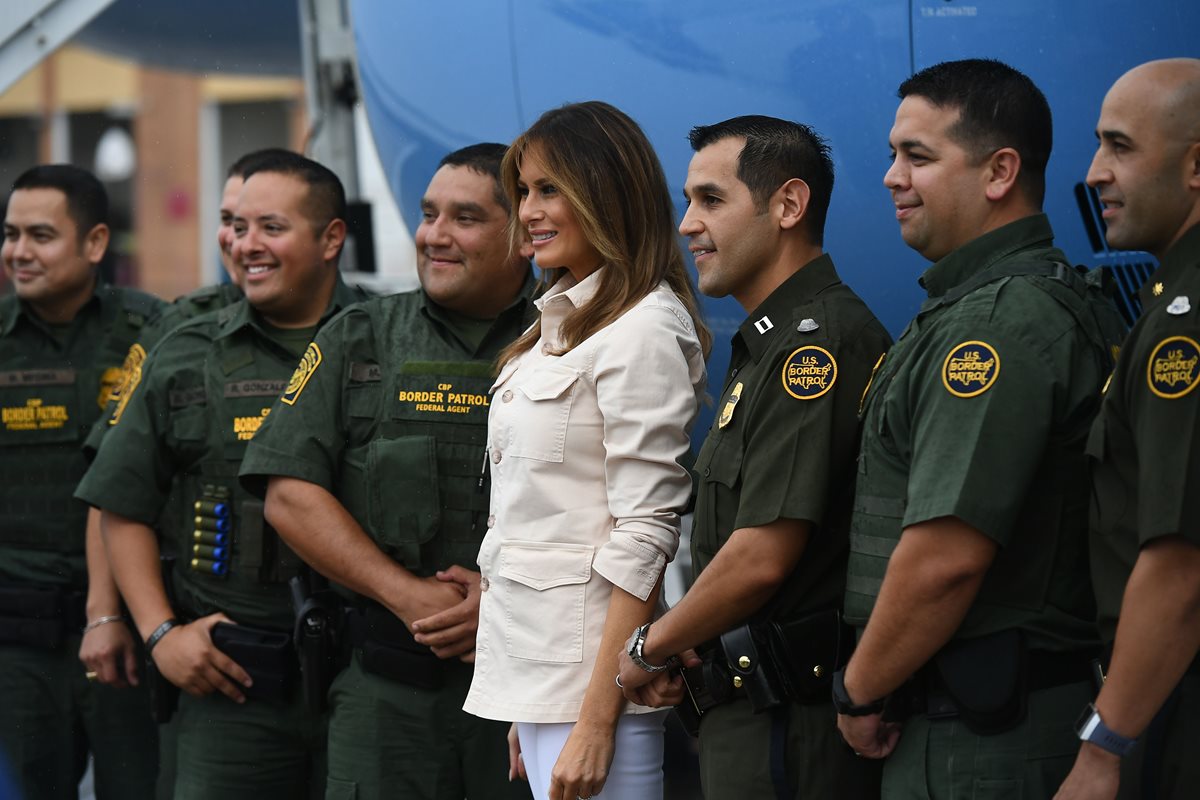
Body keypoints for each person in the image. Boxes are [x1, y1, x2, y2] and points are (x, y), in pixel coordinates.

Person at [835, 59, 1127, 797]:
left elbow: (945, 559)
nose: (891, 177)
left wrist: (860, 689)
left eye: (918, 156)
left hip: (981, 744)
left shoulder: (995, 326)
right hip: (980, 723)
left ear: (999, 172)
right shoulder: (1002, 305)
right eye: (894, 154)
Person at [238, 143, 536, 800]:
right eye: (429, 214)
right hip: (387, 695)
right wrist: (409, 597)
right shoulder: (359, 336)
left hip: (530, 688)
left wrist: (510, 597)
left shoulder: (571, 338)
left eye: (465, 217)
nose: (434, 235)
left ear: (524, 236)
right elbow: (288, 493)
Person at [75, 151, 371, 799]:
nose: (245, 245)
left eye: (269, 226)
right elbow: (121, 503)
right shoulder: (185, 349)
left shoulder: (388, 340)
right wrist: (160, 635)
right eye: (234, 225)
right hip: (233, 681)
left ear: (330, 238)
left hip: (372, 681)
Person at [615, 116, 890, 798]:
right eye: (688, 201)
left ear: (788, 206)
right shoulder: (769, 347)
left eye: (711, 200)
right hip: (751, 712)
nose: (686, 224)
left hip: (789, 732)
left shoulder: (812, 348)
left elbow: (761, 556)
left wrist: (646, 648)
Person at [452, 101, 709, 800]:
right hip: (543, 678)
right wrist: (527, 692)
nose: (527, 210)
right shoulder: (554, 329)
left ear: (605, 191)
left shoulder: (644, 328)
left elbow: (646, 531)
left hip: (595, 690)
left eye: (549, 189)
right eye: (524, 191)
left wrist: (598, 718)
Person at [1054, 58, 1200, 800]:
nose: (1094, 172)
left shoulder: (1187, 319)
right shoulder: (1168, 296)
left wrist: (1104, 744)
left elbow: (1180, 563)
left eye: (1120, 146)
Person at [0, 164, 163, 799]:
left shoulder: (154, 331)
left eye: (39, 235)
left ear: (95, 243)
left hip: (129, 633)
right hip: (17, 643)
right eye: (10, 234)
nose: (18, 251)